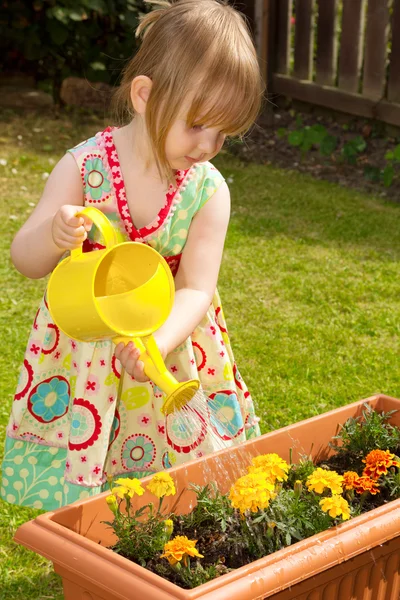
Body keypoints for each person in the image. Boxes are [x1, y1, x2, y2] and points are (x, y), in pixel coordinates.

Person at [1, 0, 263, 510]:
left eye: (223, 134)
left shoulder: (207, 191)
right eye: (197, 125)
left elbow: (195, 287)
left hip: (168, 343)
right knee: (93, 459)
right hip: (87, 345)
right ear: (145, 95)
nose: (208, 145)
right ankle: (91, 552)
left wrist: (159, 342)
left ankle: (169, 544)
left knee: (177, 474)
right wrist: (54, 238)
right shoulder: (84, 167)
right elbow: (24, 260)